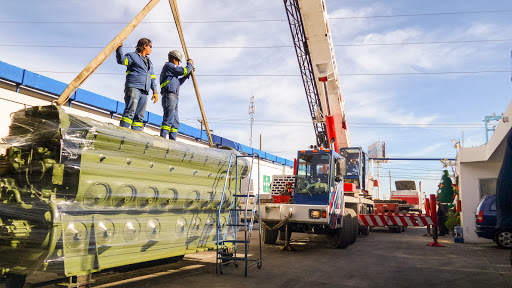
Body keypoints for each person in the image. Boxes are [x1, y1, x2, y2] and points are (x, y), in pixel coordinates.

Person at [116, 38, 158, 131]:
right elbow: (121, 61)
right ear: (144, 46)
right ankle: (122, 134)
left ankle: (134, 139)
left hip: (144, 92)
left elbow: (152, 78)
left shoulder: (149, 63)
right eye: (150, 46)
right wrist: (119, 48)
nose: (151, 49)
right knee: (130, 112)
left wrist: (155, 91)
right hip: (134, 87)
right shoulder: (132, 56)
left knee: (139, 118)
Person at [159, 50, 194, 140]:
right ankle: (163, 139)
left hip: (174, 96)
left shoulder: (172, 74)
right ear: (174, 59)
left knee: (175, 122)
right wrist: (190, 65)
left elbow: (178, 83)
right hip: (169, 95)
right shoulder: (169, 66)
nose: (178, 63)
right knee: (169, 118)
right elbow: (183, 70)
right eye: (178, 61)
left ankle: (172, 141)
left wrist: (186, 77)